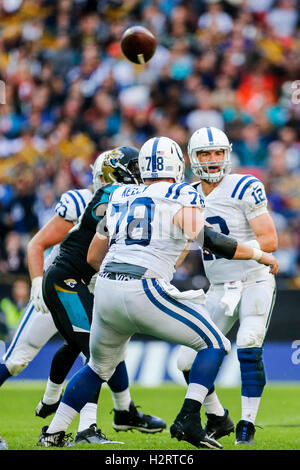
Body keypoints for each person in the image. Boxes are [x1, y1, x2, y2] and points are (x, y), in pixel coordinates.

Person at [37, 136, 278, 449]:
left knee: (98, 367)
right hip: (143, 286)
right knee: (215, 342)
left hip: (108, 287)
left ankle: (54, 434)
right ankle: (190, 417)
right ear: (178, 162)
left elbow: (94, 257)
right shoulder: (179, 192)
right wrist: (260, 255)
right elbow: (210, 240)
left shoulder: (120, 194)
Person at [38, 146, 166, 446]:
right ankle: (84, 428)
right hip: (66, 280)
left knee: (97, 349)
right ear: (118, 170)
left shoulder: (124, 195)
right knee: (95, 355)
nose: (141, 173)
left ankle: (67, 415)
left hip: (76, 280)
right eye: (135, 168)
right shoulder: (113, 194)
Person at [177, 126, 278, 445]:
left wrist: (232, 246)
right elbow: (181, 246)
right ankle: (218, 417)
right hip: (219, 288)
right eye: (206, 153)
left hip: (254, 280)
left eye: (219, 152)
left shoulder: (245, 186)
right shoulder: (187, 194)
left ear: (228, 154)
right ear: (194, 158)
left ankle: (246, 426)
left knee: (249, 342)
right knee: (185, 361)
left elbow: (270, 240)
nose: (213, 159)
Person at [0, 151, 108, 390]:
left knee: (97, 357)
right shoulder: (81, 202)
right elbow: (36, 244)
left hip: (93, 292)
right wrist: (38, 282)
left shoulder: (132, 206)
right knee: (16, 361)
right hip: (59, 286)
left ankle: (121, 410)